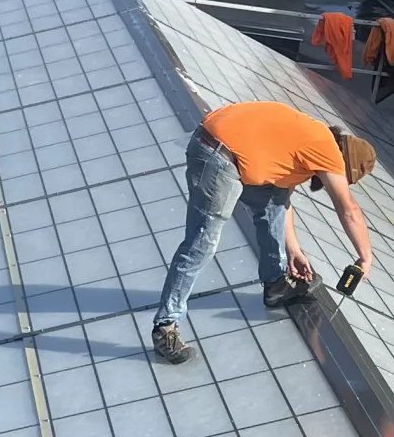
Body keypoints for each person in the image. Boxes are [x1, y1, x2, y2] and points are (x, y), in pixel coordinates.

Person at [151, 99, 374, 367]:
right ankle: (165, 326)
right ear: (343, 163)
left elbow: (281, 202)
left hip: (219, 144)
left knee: (272, 202)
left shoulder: (309, 139)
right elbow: (348, 210)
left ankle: (276, 283)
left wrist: (294, 251)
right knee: (202, 242)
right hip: (217, 156)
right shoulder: (327, 150)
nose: (332, 184)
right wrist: (365, 257)